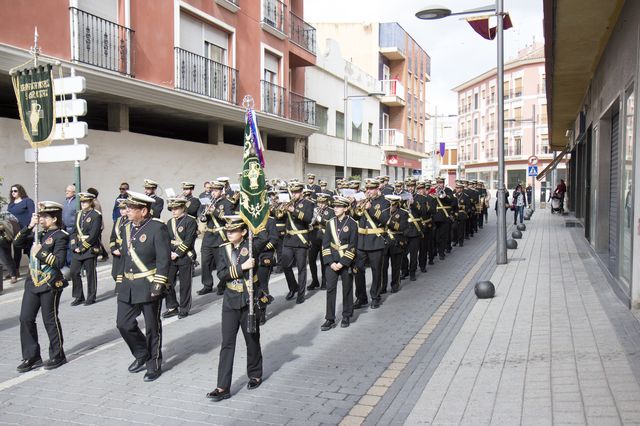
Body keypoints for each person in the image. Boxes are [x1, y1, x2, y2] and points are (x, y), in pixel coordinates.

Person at [115, 191, 170, 382]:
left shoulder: (157, 228)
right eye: (127, 208)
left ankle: (153, 363)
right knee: (123, 324)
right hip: (128, 284)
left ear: (144, 210)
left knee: (152, 327)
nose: (127, 211)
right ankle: (141, 353)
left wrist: (159, 283)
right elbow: (124, 257)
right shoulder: (126, 228)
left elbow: (163, 260)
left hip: (148, 284)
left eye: (131, 208)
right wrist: (119, 279)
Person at [207, 216, 263, 402]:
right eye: (228, 231)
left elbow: (268, 238)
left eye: (233, 231)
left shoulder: (252, 245)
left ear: (243, 232)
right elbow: (222, 274)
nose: (229, 233)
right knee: (227, 343)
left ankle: (255, 374)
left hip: (249, 300)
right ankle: (223, 387)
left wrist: (255, 217)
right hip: (230, 301)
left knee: (252, 339)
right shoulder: (224, 250)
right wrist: (242, 267)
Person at [13, 202, 69, 372]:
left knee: (49, 319)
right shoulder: (37, 234)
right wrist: (30, 226)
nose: (41, 219)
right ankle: (32, 356)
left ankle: (58, 354)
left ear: (54, 218)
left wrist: (41, 252)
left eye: (45, 216)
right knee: (25, 318)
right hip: (32, 282)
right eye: (41, 216)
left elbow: (59, 262)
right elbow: (17, 243)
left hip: (49, 283)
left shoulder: (60, 235)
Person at [320, 196, 357, 330]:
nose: (335, 209)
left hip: (345, 261)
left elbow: (353, 246)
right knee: (330, 289)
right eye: (334, 206)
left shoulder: (352, 223)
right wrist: (330, 263)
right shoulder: (330, 222)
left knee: (347, 289)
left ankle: (346, 315)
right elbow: (325, 245)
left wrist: (342, 263)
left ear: (346, 208)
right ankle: (329, 318)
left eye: (339, 206)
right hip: (332, 261)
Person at [353, 179, 390, 310]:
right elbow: (355, 216)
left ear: (377, 189)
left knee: (376, 271)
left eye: (371, 189)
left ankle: (375, 297)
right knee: (358, 270)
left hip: (376, 241)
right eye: (367, 189)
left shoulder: (384, 202)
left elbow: (385, 220)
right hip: (361, 241)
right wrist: (357, 205)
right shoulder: (362, 200)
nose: (368, 191)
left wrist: (372, 208)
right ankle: (361, 297)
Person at [163, 198, 198, 319]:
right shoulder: (169, 222)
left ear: (183, 208)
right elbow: (167, 239)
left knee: (185, 285)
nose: (173, 211)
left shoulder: (190, 221)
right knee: (167, 282)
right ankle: (172, 306)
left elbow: (189, 240)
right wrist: (169, 253)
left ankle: (184, 308)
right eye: (172, 209)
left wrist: (177, 253)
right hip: (171, 256)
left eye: (176, 208)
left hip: (184, 256)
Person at [198, 181, 234, 296]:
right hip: (208, 236)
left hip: (220, 236)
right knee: (205, 262)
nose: (213, 193)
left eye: (216, 191)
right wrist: (203, 215)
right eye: (212, 191)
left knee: (221, 263)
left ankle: (222, 285)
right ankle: (207, 285)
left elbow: (228, 219)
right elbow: (201, 215)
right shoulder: (207, 202)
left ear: (221, 191)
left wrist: (215, 211)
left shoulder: (227, 203)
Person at [281, 182, 314, 304]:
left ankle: (301, 293)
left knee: (301, 268)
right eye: (293, 192)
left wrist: (293, 210)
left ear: (301, 192)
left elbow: (308, 218)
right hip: (288, 239)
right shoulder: (288, 202)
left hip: (301, 240)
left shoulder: (308, 203)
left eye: (296, 192)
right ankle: (293, 287)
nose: (294, 194)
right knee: (285, 265)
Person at [69, 192, 103, 306]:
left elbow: (94, 234)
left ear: (90, 202)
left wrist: (83, 247)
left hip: (89, 248)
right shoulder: (79, 214)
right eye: (82, 202)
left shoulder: (96, 215)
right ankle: (79, 296)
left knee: (90, 274)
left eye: (85, 202)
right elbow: (73, 231)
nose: (83, 204)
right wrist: (74, 245)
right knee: (74, 271)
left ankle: (91, 297)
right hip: (77, 247)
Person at [307, 193, 334, 291]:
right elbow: (308, 221)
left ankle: (324, 281)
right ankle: (315, 280)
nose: (320, 205)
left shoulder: (331, 211)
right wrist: (311, 222)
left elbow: (331, 223)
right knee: (311, 260)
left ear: (327, 202)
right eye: (319, 202)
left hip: (324, 238)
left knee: (324, 261)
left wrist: (320, 220)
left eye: (322, 202)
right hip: (314, 237)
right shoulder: (314, 210)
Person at [382, 195, 408, 294]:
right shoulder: (384, 213)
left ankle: (395, 284)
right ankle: (382, 287)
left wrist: (390, 222)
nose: (390, 207)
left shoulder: (403, 213)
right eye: (389, 205)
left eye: (392, 205)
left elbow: (403, 227)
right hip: (385, 241)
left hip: (396, 241)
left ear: (396, 204)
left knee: (396, 265)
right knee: (383, 267)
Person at [8, 184, 35, 274]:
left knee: (29, 250)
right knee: (17, 251)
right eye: (12, 191)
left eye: (15, 191)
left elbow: (33, 214)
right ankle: (16, 271)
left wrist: (33, 227)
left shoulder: (28, 201)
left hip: (27, 230)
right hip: (16, 231)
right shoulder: (11, 204)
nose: (13, 193)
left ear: (20, 191)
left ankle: (34, 268)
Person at [109, 199, 129, 286]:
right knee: (114, 274)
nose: (121, 211)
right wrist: (113, 249)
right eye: (120, 209)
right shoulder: (118, 220)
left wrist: (121, 250)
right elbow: (113, 236)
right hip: (117, 249)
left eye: (124, 208)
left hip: (126, 250)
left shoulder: (131, 220)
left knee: (123, 274)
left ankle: (122, 291)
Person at [87, 187, 109, 262]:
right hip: (98, 225)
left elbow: (95, 216)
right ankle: (104, 254)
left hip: (98, 226)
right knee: (98, 240)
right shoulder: (94, 202)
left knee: (97, 241)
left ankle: (104, 255)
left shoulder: (95, 203)